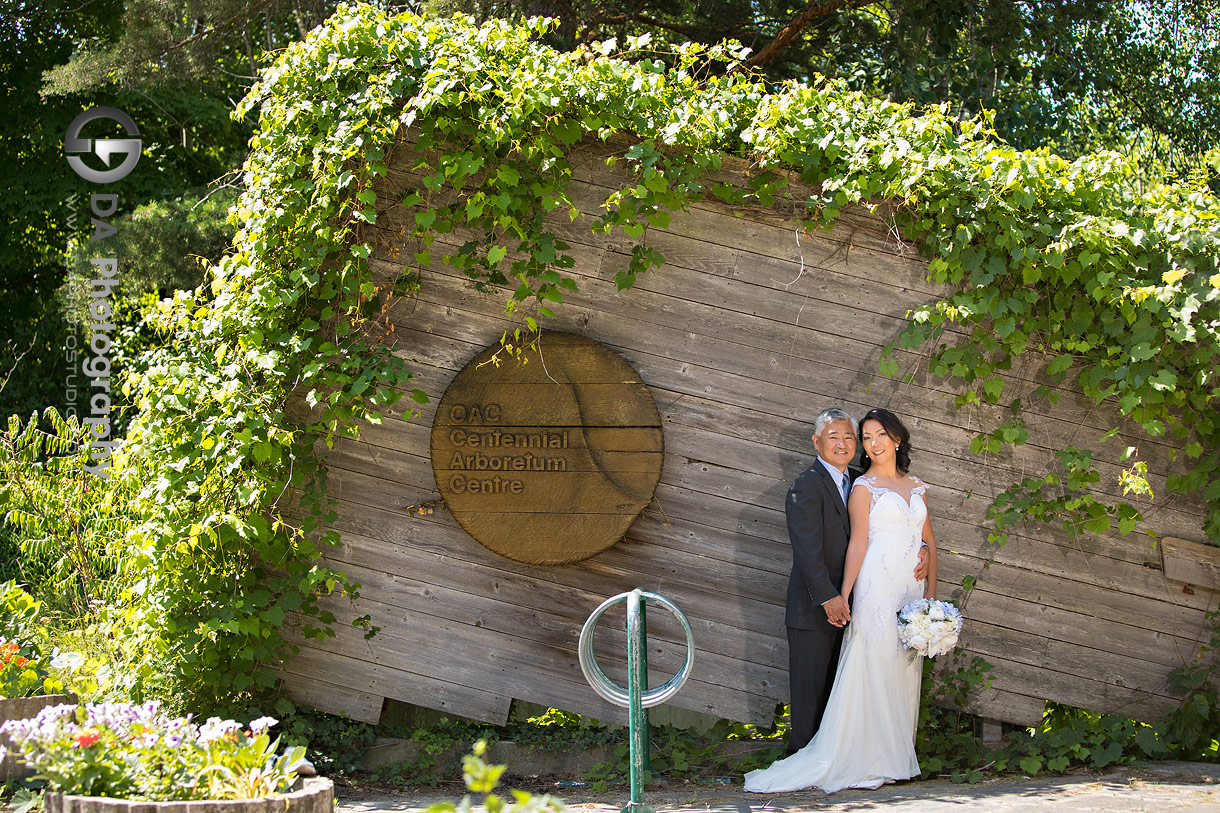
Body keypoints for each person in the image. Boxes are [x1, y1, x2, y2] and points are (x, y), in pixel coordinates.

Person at [747, 407, 940, 794]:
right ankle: (807, 756)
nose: (848, 444)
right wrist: (834, 597)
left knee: (859, 681)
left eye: (852, 437)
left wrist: (921, 549)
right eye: (838, 437)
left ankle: (884, 754)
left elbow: (901, 529)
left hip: (885, 593)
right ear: (817, 442)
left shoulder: (858, 479)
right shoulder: (806, 486)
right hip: (822, 604)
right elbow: (810, 553)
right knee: (812, 689)